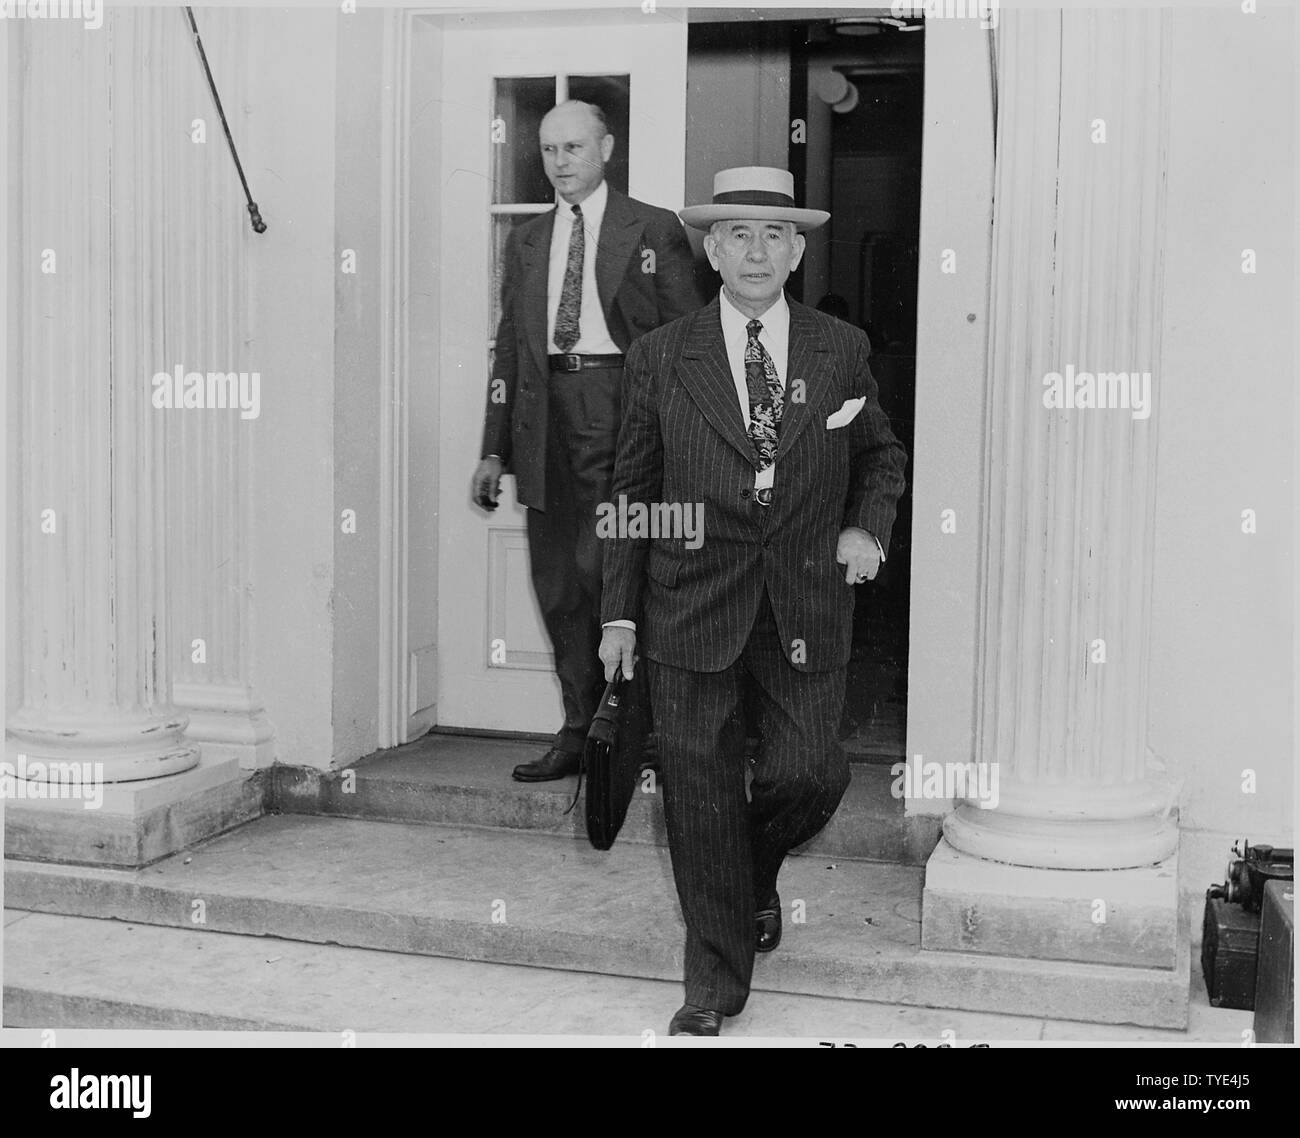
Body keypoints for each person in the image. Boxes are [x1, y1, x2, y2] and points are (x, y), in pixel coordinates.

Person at [598, 166, 908, 1035]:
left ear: (800, 249)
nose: (758, 250)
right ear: (710, 248)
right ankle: (714, 986)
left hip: (806, 605)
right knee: (697, 795)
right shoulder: (663, 356)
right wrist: (619, 613)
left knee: (811, 772)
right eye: (739, 234)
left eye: (776, 235)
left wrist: (866, 530)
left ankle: (749, 871)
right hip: (688, 606)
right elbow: (633, 490)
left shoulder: (840, 348)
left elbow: (881, 457)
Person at [472, 100, 701, 783]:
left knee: (613, 572)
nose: (560, 162)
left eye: (573, 147)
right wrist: (493, 447)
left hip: (620, 409)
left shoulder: (654, 229)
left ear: (605, 147)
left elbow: (686, 341)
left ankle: (638, 731)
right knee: (559, 583)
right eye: (548, 150)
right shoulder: (530, 241)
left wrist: (678, 441)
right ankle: (579, 731)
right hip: (544, 419)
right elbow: (512, 347)